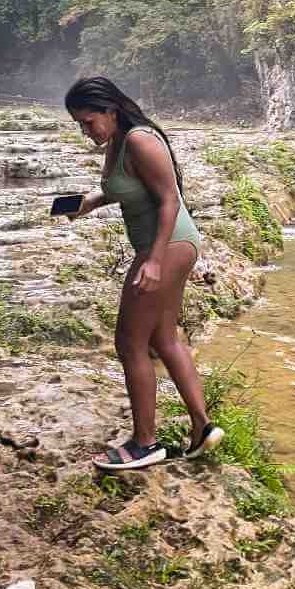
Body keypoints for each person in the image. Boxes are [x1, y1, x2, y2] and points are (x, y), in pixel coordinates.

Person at [63, 76, 223, 472]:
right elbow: (124, 189)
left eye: (88, 122)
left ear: (109, 111)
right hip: (169, 246)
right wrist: (88, 203)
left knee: (129, 342)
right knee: (164, 339)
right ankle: (203, 428)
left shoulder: (139, 139)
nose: (86, 131)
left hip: (165, 247)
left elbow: (170, 199)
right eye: (79, 125)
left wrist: (152, 261)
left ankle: (144, 443)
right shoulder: (117, 143)